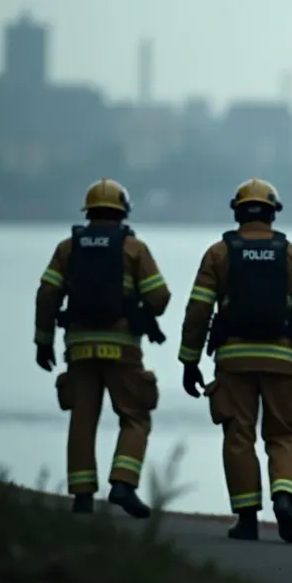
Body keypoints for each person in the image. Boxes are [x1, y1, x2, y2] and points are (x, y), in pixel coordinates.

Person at [177, 178, 292, 544]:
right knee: (285, 434)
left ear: (237, 212)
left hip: (233, 360)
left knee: (238, 436)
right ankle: (284, 497)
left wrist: (189, 360)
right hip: (280, 359)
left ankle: (247, 518)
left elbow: (198, 310)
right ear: (272, 213)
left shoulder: (218, 254)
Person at [34, 178, 171, 518]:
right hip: (122, 347)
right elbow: (159, 296)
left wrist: (43, 340)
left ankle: (82, 496)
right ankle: (123, 483)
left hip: (79, 348)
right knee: (135, 415)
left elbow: (48, 294)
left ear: (89, 211)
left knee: (82, 420)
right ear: (123, 213)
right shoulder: (134, 249)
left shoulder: (69, 247)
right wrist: (140, 314)